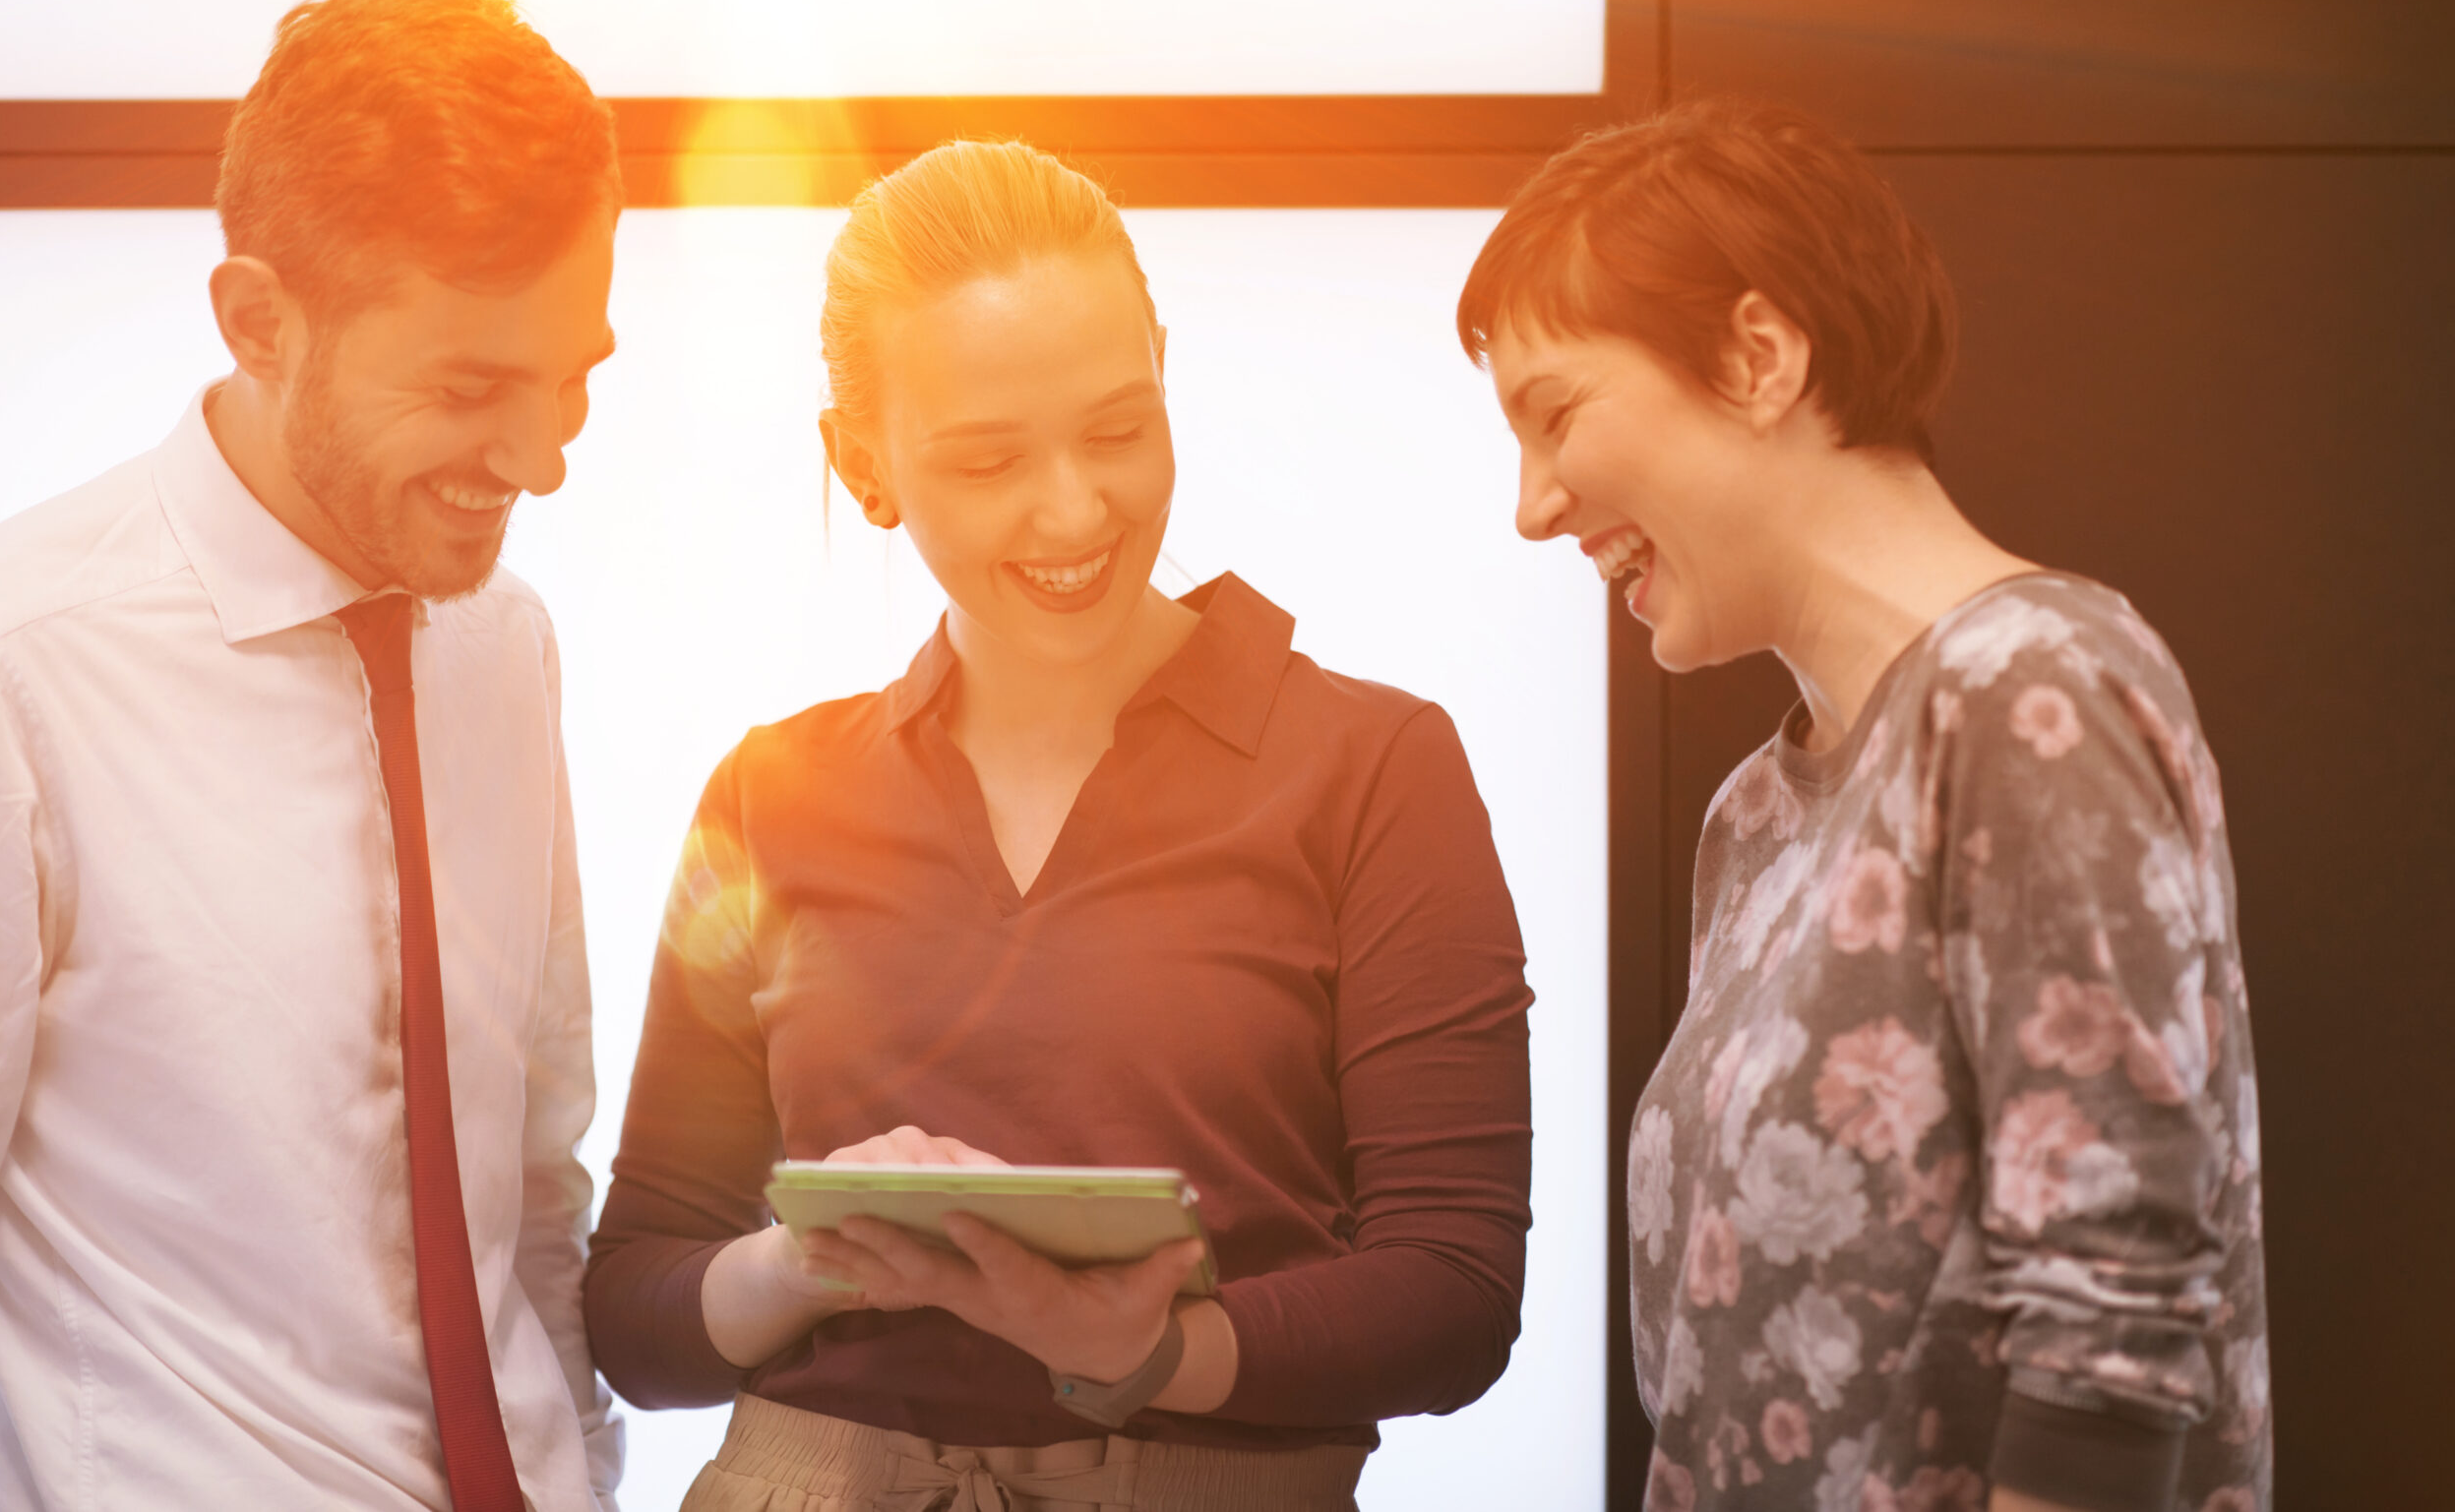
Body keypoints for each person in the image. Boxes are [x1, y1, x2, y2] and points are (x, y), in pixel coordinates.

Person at [583, 140, 1533, 1511]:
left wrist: (1149, 1351)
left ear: (1164, 370)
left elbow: (1454, 1295)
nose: (1076, 507)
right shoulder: (767, 791)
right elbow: (635, 1313)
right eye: (988, 459)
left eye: (1118, 430)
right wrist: (805, 1262)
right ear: (863, 462)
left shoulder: (1376, 767)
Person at [1461, 100, 2269, 1512]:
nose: (1533, 508)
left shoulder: (2029, 688)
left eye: (1557, 412)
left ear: (1756, 358)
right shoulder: (1755, 820)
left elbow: (2113, 1320)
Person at [0, 0, 626, 1510]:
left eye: (574, 374)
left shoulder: (503, 644)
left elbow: (533, 1182)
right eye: (470, 387)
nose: (542, 459)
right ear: (259, 322)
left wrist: (580, 1462)